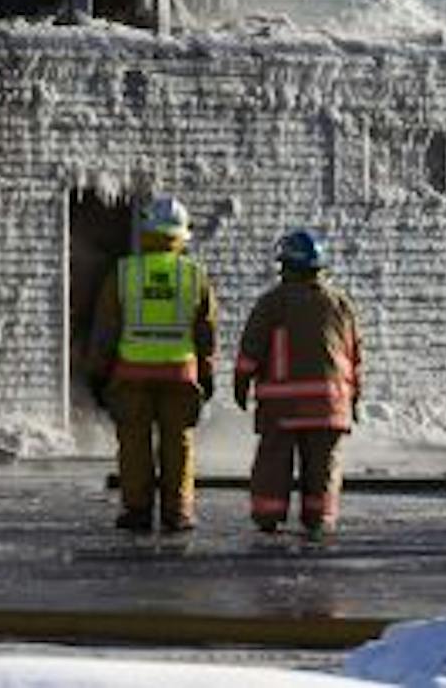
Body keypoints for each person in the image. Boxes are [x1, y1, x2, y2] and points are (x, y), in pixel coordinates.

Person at [87, 193, 218, 533]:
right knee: (180, 443)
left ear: (145, 231)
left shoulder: (124, 273)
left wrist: (98, 372)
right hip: (180, 373)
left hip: (132, 373)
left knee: (133, 445)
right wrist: (208, 372)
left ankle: (137, 510)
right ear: (182, 235)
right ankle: (178, 513)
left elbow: (105, 329)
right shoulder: (195, 276)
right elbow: (206, 332)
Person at [234, 229, 363, 543]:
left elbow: (251, 350)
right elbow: (354, 355)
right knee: (323, 467)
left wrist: (240, 384)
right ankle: (319, 519)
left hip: (283, 405)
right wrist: (354, 398)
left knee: (273, 464)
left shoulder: (272, 303)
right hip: (330, 405)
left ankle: (268, 517)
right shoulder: (341, 305)